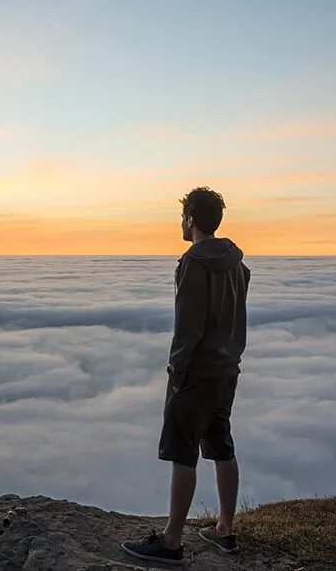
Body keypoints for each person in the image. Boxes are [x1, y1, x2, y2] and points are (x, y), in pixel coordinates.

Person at [122, 186, 251, 565]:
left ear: (191, 219)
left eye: (182, 217)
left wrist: (177, 369)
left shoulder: (194, 262)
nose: (180, 223)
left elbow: (189, 326)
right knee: (222, 444)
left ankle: (172, 541)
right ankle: (225, 530)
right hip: (228, 369)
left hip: (197, 372)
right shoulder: (236, 262)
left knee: (184, 452)